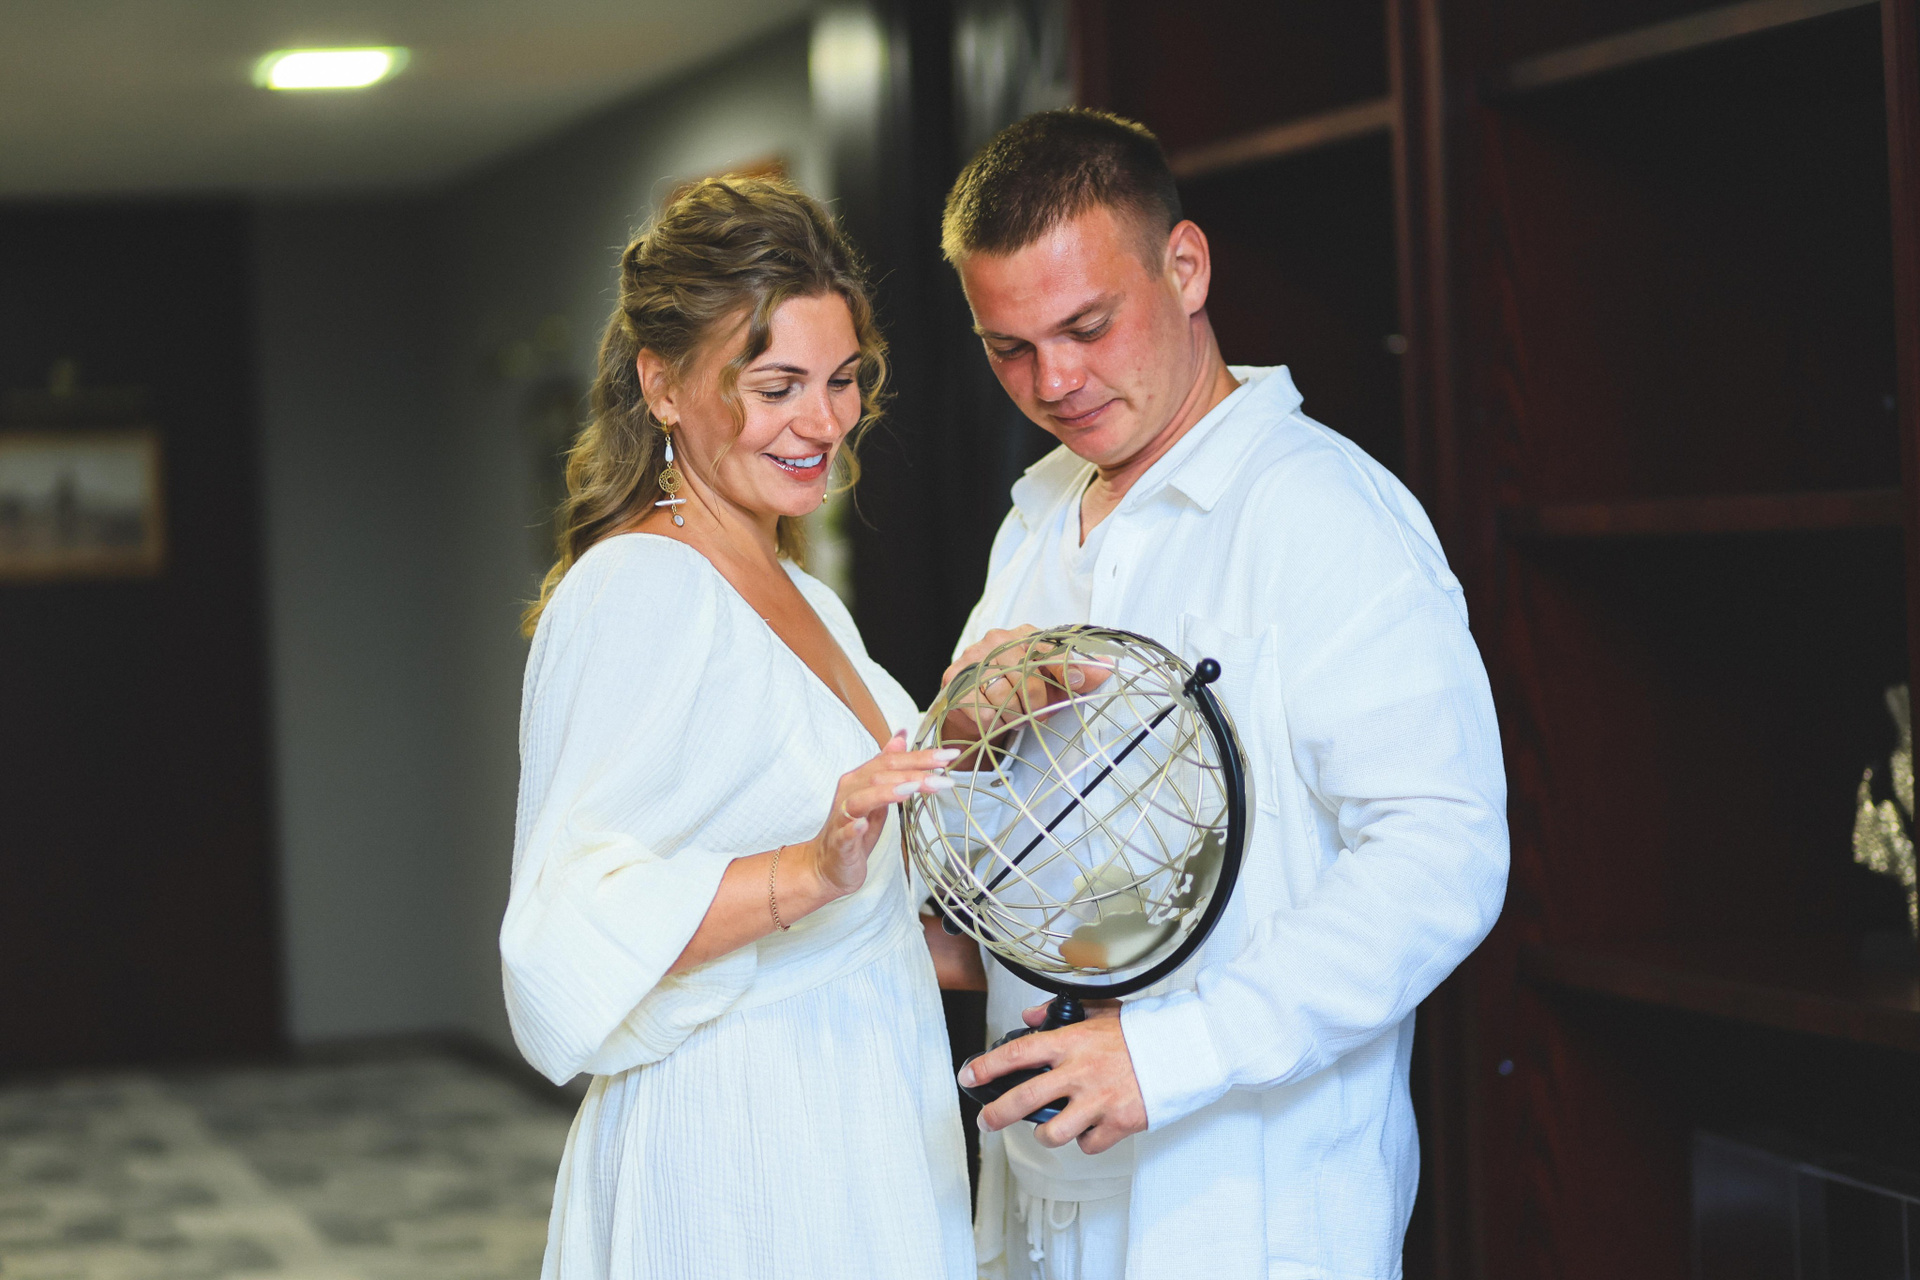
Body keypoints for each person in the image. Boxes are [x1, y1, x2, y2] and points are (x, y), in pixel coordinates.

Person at [940, 110, 1510, 1280]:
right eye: (1010, 348)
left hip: (1249, 1220)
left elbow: (1443, 853)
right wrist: (962, 755)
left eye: (1087, 326)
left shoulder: (1324, 513)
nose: (1055, 381)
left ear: (1187, 266)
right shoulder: (1032, 524)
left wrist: (1172, 1053)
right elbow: (991, 870)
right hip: (1039, 1204)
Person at [500, 176, 975, 1280]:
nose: (824, 421)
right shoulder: (636, 589)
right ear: (661, 385)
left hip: (860, 1113)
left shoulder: (799, 590)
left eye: (842, 378)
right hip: (743, 1147)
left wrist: (975, 729)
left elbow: (855, 907)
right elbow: (563, 931)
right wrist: (809, 869)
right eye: (776, 387)